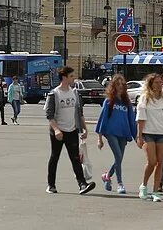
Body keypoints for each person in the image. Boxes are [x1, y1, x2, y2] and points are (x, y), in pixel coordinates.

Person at [44, 66, 95, 195]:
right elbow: (49, 115)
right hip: (58, 131)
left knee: (75, 158)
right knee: (55, 157)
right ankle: (51, 185)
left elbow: (79, 112)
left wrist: (84, 128)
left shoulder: (75, 93)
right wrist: (56, 130)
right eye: (71, 76)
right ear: (64, 77)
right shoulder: (54, 94)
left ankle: (82, 184)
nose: (74, 78)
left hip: (72, 130)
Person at [135, 72, 163, 202]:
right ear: (151, 84)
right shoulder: (144, 98)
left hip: (162, 133)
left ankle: (155, 190)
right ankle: (143, 185)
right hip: (148, 133)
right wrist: (139, 135)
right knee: (152, 161)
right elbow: (141, 118)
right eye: (157, 82)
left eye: (160, 82)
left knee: (160, 163)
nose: (159, 85)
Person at [94, 74, 136, 195]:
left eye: (122, 85)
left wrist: (137, 137)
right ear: (113, 86)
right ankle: (120, 183)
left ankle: (107, 176)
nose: (120, 87)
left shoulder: (127, 103)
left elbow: (132, 121)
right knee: (118, 156)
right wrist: (100, 138)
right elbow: (102, 119)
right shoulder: (108, 101)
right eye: (117, 85)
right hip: (111, 133)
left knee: (119, 159)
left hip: (123, 133)